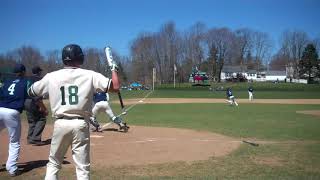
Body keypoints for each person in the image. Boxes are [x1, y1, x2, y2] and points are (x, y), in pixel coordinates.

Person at [27, 44, 129, 180]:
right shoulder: (90, 75)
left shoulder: (51, 76)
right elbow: (115, 86)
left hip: (61, 123)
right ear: (80, 58)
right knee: (83, 168)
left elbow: (31, 91)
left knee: (54, 163)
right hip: (81, 124)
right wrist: (114, 69)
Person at [0, 64, 29, 176]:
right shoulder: (25, 82)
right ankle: (11, 168)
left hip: (0, 108)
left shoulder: (7, 82)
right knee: (14, 141)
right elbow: (31, 96)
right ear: (23, 72)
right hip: (12, 112)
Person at [25, 66, 48, 145]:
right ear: (38, 72)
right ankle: (35, 139)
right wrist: (43, 108)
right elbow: (37, 95)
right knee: (42, 119)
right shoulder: (38, 79)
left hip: (26, 101)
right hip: (34, 101)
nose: (40, 73)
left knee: (32, 121)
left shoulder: (28, 78)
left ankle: (30, 138)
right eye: (40, 71)